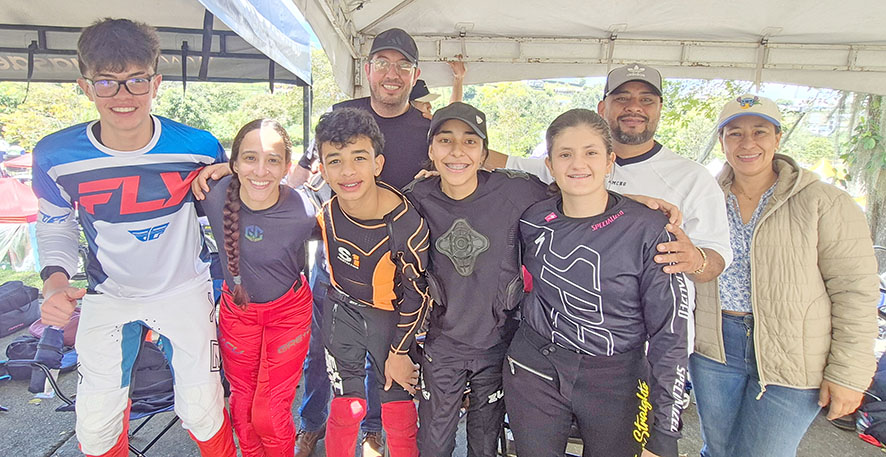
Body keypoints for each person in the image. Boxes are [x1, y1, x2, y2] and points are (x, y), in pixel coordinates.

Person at [32, 18, 235, 457]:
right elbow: (54, 225)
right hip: (109, 295)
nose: (123, 96)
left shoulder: (199, 146)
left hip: (185, 289)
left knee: (203, 409)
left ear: (156, 82)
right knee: (96, 425)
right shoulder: (54, 155)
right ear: (86, 86)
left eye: (136, 81)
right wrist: (54, 284)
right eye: (107, 82)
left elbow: (229, 215)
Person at [486, 63, 732, 347]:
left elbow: (717, 260)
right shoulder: (570, 166)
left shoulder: (692, 178)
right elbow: (487, 158)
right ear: (603, 108)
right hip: (566, 346)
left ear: (660, 108)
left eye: (646, 100)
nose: (634, 107)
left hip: (651, 350)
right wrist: (443, 169)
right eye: (622, 98)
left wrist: (696, 259)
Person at [690, 94, 880, 457]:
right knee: (718, 450)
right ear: (722, 141)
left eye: (760, 132)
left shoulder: (823, 201)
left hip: (794, 352)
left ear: (778, 139)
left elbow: (855, 291)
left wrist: (849, 374)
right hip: (714, 348)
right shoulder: (704, 198)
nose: (748, 143)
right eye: (735, 133)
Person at [502, 108, 689, 457]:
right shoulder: (531, 218)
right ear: (550, 165)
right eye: (565, 154)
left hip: (618, 379)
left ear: (609, 162)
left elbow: (671, 333)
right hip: (535, 369)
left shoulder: (648, 229)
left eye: (591, 153)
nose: (578, 164)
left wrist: (664, 432)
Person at [289, 27, 431, 457]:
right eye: (382, 63)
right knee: (322, 351)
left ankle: (373, 428)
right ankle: (312, 422)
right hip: (337, 255)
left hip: (395, 258)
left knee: (386, 357)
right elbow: (302, 171)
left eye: (402, 65)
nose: (392, 73)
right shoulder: (341, 115)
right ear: (367, 70)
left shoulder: (428, 128)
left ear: (415, 73)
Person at [404, 102, 550, 457]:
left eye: (470, 142)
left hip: (498, 342)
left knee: (485, 442)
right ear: (431, 151)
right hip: (441, 345)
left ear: (485, 153)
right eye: (445, 141)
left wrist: (637, 202)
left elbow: (580, 198)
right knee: (433, 443)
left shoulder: (518, 191)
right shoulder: (415, 198)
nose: (457, 151)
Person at [314, 107, 431, 457]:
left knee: (397, 409)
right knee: (345, 408)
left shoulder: (405, 225)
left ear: (377, 164)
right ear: (321, 170)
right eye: (335, 161)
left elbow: (419, 295)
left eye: (359, 158)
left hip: (390, 322)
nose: (347, 171)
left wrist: (399, 351)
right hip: (340, 312)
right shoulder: (327, 211)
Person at [198, 119, 316, 457]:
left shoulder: (304, 210)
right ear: (233, 164)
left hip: (288, 313)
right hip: (238, 311)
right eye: (250, 158)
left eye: (273, 160)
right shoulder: (212, 192)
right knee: (243, 406)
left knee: (268, 410)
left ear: (286, 167)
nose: (260, 170)